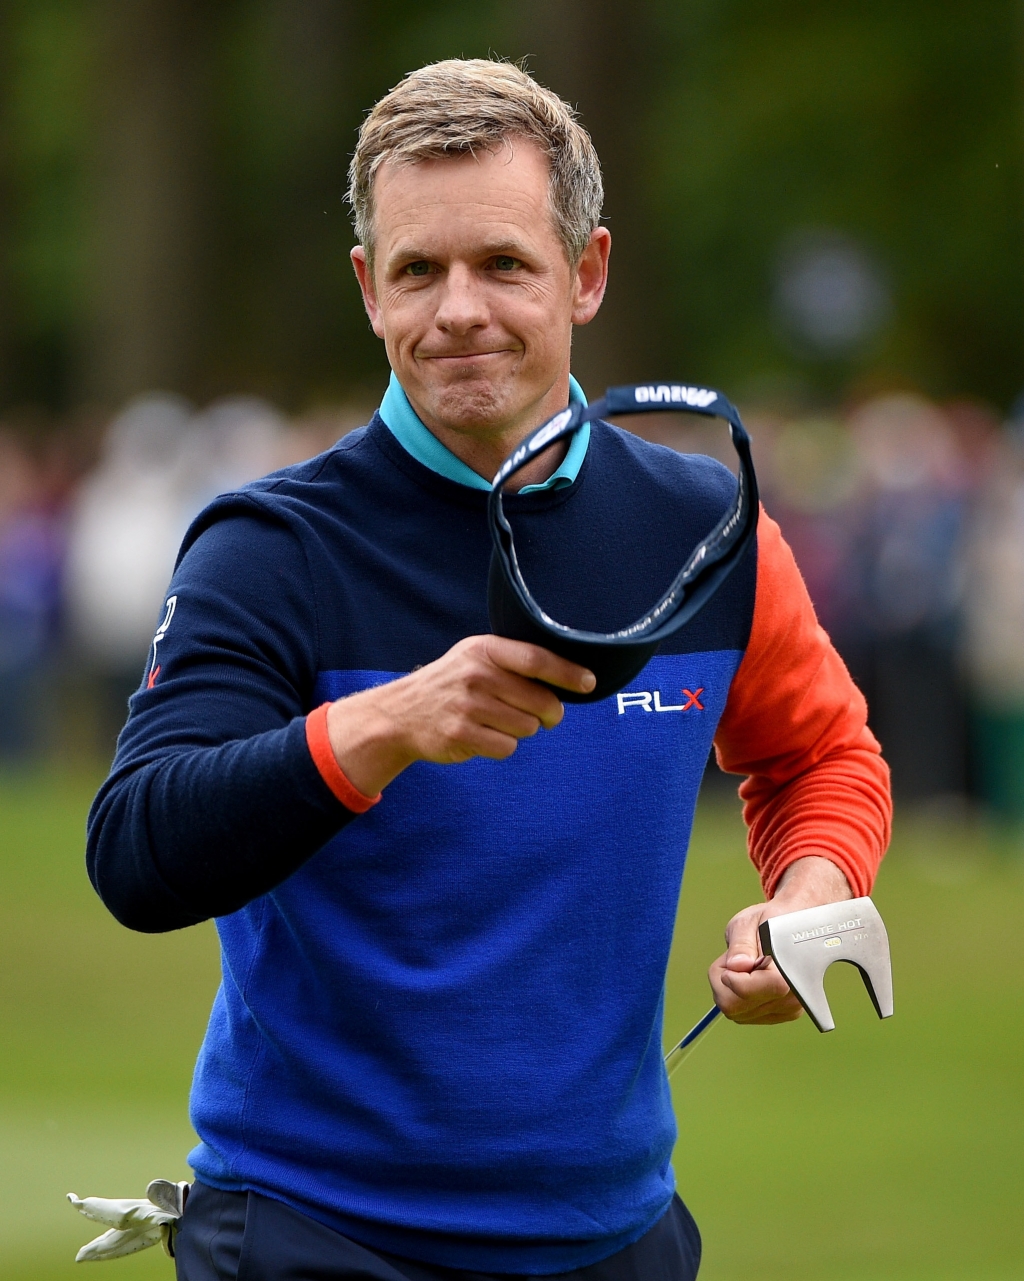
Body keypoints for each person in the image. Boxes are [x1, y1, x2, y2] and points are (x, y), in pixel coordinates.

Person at [86, 59, 891, 1281]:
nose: (458, 308)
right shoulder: (271, 548)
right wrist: (387, 723)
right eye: (419, 269)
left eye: (502, 264)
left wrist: (809, 896)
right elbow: (139, 854)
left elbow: (818, 750)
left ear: (587, 271)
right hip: (320, 1236)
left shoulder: (706, 526)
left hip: (614, 1235)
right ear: (369, 289)